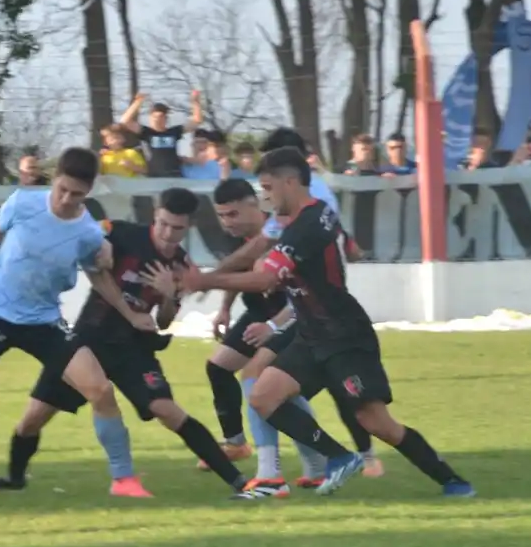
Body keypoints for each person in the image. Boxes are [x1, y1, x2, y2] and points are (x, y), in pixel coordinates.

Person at [182, 147, 475, 499]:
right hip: (311, 332)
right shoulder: (307, 217)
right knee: (263, 395)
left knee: (375, 422)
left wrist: (206, 281)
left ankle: (452, 480)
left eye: (268, 188)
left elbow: (264, 281)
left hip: (343, 335)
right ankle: (338, 457)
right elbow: (277, 256)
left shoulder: (306, 226)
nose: (265, 197)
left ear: (290, 182)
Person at [0, 147, 150, 503]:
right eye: (62, 189)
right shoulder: (22, 202)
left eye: (76, 194)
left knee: (101, 390)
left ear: (89, 191)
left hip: (43, 324)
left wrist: (130, 314)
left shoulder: (87, 233)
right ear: (55, 179)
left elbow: (100, 278)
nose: (66, 199)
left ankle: (123, 478)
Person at [0, 188, 254, 497]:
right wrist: (99, 244)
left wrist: (169, 294)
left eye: (177, 228)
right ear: (154, 216)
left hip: (133, 349)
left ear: (189, 227)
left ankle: (239, 483)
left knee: (167, 410)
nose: (168, 234)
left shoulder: (183, 267)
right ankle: (15, 479)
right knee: (32, 420)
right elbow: (87, 230)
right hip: (87, 342)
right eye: (162, 224)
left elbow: (163, 322)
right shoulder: (120, 233)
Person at [207, 127, 380, 475]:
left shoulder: (305, 202)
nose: (269, 185)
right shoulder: (294, 202)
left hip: (309, 307)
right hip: (285, 305)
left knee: (277, 379)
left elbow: (263, 258)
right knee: (233, 370)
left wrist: (204, 279)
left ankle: (286, 470)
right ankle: (252, 449)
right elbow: (256, 256)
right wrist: (224, 299)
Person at [206, 178, 330, 495]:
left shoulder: (279, 234)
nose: (226, 222)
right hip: (259, 315)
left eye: (232, 214)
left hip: (293, 315)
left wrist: (273, 326)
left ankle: (271, 475)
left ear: (254, 204)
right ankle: (238, 444)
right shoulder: (243, 240)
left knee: (258, 378)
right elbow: (237, 275)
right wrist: (224, 309)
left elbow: (299, 289)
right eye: (221, 215)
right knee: (219, 366)